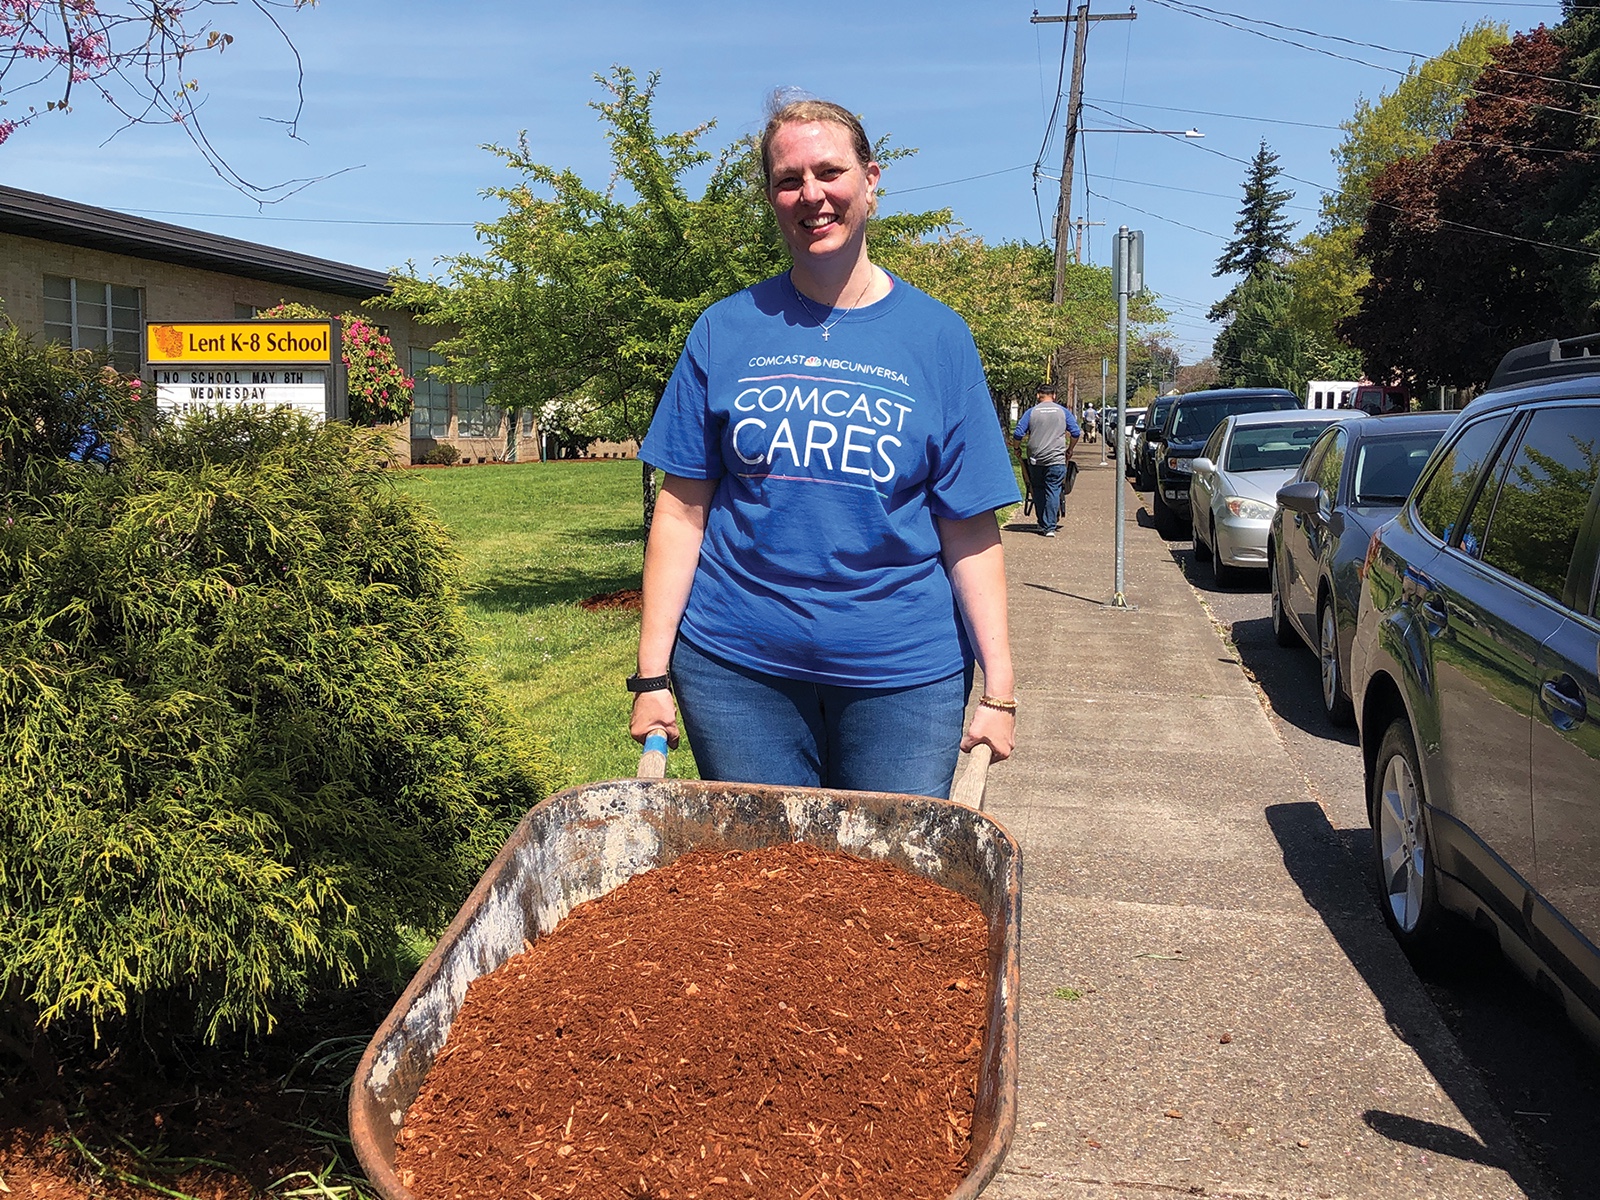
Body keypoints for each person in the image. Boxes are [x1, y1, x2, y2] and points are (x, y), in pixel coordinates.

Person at [627, 95, 1020, 800]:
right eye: (788, 179)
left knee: (884, 884)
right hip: (736, 671)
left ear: (871, 180)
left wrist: (1002, 689)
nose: (812, 194)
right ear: (771, 198)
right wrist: (651, 676)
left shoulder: (938, 338)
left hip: (903, 675)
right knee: (766, 885)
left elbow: (967, 523)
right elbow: (682, 510)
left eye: (830, 172)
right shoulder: (724, 330)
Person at [1011, 383, 1081, 537]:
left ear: (1038, 395)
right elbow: (1075, 432)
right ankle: (1050, 526)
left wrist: (1017, 448)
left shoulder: (1031, 412)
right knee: (1053, 489)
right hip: (1056, 458)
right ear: (1054, 395)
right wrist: (1070, 449)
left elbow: (1018, 434)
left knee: (1038, 489)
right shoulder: (1063, 412)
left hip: (1036, 459)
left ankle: (1043, 522)